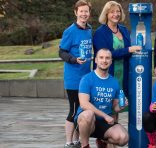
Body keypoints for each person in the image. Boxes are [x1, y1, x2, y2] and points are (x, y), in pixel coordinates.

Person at [74, 48, 129, 148]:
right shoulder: (87, 79)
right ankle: (85, 145)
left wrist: (121, 106)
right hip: (86, 122)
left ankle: (102, 140)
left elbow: (114, 107)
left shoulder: (114, 82)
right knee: (88, 114)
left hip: (103, 123)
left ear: (111, 61)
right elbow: (84, 104)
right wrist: (105, 116)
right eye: (101, 57)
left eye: (107, 58)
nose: (104, 60)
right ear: (96, 60)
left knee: (123, 137)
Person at [58, 0, 92, 147]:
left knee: (82, 110)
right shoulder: (70, 31)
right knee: (73, 110)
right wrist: (73, 59)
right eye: (81, 11)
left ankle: (78, 141)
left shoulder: (90, 29)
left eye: (86, 11)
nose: (84, 14)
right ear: (76, 12)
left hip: (86, 78)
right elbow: (61, 52)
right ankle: (68, 142)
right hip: (73, 78)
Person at [93, 1, 141, 96]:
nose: (116, 14)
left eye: (118, 11)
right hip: (108, 73)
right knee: (108, 104)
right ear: (106, 14)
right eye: (112, 12)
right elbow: (105, 56)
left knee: (121, 104)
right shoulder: (100, 32)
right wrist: (128, 50)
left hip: (124, 74)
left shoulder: (124, 29)